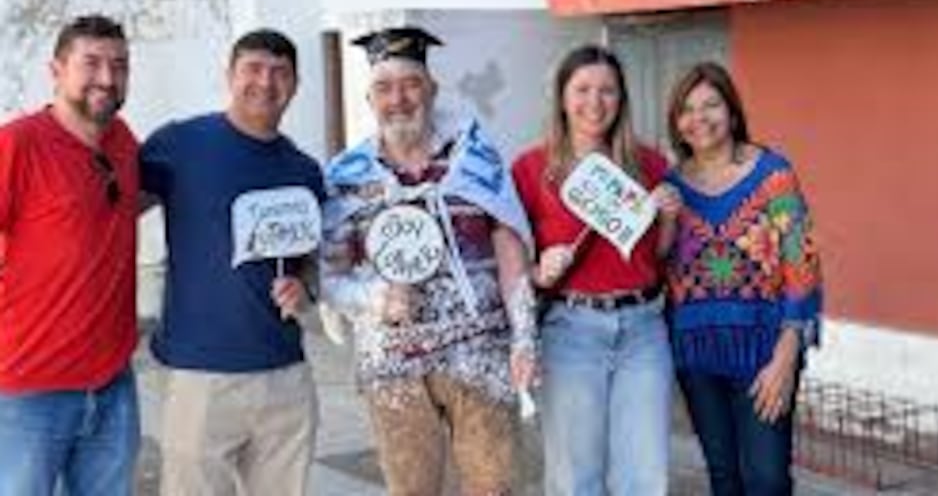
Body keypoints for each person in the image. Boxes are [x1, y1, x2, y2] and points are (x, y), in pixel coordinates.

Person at [319, 26, 537, 496]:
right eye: (384, 88)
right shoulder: (346, 176)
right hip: (392, 363)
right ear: (369, 99)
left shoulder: (474, 157)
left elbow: (509, 244)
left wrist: (524, 336)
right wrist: (375, 298)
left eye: (411, 83)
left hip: (480, 352)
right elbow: (328, 278)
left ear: (432, 89)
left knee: (492, 487)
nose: (398, 98)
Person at [141, 29, 325, 495]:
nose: (266, 82)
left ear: (295, 84)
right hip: (200, 374)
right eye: (254, 69)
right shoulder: (179, 145)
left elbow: (309, 260)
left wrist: (305, 287)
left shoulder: (304, 171)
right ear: (230, 76)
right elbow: (111, 209)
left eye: (280, 72)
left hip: (284, 372)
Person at [511, 44, 680, 495]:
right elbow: (509, 264)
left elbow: (659, 259)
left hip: (643, 329)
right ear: (562, 97)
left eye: (608, 91)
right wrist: (538, 269)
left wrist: (666, 218)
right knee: (574, 479)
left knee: (645, 476)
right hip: (570, 330)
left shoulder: (648, 163)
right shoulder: (531, 169)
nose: (595, 102)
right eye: (582, 89)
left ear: (622, 99)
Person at [663, 62, 823, 495]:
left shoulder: (773, 175)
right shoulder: (669, 188)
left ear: (732, 112)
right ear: (676, 122)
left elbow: (802, 266)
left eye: (711, 105)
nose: (700, 118)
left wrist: (787, 357)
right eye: (688, 109)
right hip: (695, 354)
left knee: (767, 480)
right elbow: (655, 263)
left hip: (764, 352)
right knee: (724, 477)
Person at [0, 15, 140, 495]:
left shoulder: (122, 141)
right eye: (92, 63)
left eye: (119, 65)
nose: (107, 77)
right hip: (28, 389)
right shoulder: (19, 143)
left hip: (112, 383)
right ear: (56, 70)